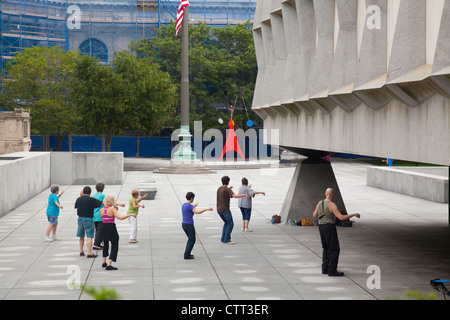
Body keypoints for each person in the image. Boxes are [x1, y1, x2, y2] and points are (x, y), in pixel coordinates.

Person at [312, 188, 360, 277]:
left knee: (326, 248)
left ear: (325, 194)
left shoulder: (320, 203)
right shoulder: (332, 205)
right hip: (329, 227)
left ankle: (325, 269)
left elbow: (314, 215)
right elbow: (341, 217)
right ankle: (332, 270)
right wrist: (353, 214)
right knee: (334, 249)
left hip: (321, 227)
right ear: (332, 194)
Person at [100, 194, 136, 270]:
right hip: (111, 227)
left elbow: (104, 217)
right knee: (114, 244)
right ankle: (109, 263)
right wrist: (130, 214)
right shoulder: (112, 209)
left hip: (103, 227)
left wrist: (115, 209)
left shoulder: (101, 209)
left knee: (105, 244)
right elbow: (120, 217)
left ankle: (104, 262)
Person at [216, 176, 250, 245]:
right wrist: (244, 195)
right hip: (225, 209)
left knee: (226, 223)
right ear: (228, 182)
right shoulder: (227, 189)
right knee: (230, 223)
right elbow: (234, 196)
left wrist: (229, 189)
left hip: (219, 209)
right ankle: (226, 240)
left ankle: (223, 238)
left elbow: (225, 193)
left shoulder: (219, 188)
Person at [182, 192, 213, 259]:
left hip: (184, 224)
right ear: (192, 198)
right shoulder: (190, 206)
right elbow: (197, 212)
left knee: (190, 239)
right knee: (192, 240)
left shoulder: (184, 205)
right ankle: (186, 255)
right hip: (189, 225)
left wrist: (194, 206)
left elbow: (189, 209)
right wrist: (207, 209)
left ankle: (187, 253)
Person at [75, 186, 104, 258]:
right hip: (88, 219)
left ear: (83, 192)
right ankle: (89, 253)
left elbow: (75, 206)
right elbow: (101, 203)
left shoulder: (79, 199)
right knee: (89, 236)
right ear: (90, 193)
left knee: (81, 236)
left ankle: (81, 251)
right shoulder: (91, 200)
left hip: (80, 219)